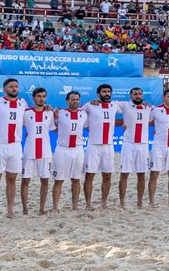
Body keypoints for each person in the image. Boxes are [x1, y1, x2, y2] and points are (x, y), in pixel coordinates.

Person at [0, 78, 28, 217]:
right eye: (11, 86)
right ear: (4, 89)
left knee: (12, 179)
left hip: (16, 146)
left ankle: (10, 210)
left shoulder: (23, 103)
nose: (14, 88)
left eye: (16, 86)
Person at [117, 86, 154, 208]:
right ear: (130, 95)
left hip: (143, 145)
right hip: (128, 144)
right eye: (135, 94)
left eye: (139, 94)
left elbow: (165, 109)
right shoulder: (124, 105)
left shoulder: (148, 107)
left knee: (141, 174)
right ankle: (122, 202)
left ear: (142, 96)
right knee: (124, 174)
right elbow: (108, 105)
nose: (137, 96)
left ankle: (139, 202)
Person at [51, 90, 88, 212]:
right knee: (59, 180)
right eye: (73, 99)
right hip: (62, 150)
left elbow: (88, 126)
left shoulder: (83, 114)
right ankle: (55, 207)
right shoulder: (60, 113)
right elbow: (53, 127)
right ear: (67, 101)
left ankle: (75, 206)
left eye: (77, 99)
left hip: (78, 150)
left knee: (76, 179)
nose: (75, 101)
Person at [19, 88, 55, 215]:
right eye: (39, 96)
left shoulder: (49, 113)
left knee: (45, 180)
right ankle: (25, 209)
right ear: (34, 98)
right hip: (29, 151)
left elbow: (53, 129)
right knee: (25, 180)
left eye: (44, 96)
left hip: (45, 152)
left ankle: (41, 208)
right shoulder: (25, 113)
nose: (41, 98)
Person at [83, 83, 116, 211]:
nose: (107, 94)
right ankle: (88, 204)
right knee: (89, 175)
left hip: (108, 146)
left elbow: (134, 106)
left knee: (107, 176)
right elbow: (76, 112)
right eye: (104, 92)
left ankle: (104, 203)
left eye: (108, 91)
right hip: (93, 146)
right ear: (98, 94)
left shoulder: (115, 105)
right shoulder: (90, 105)